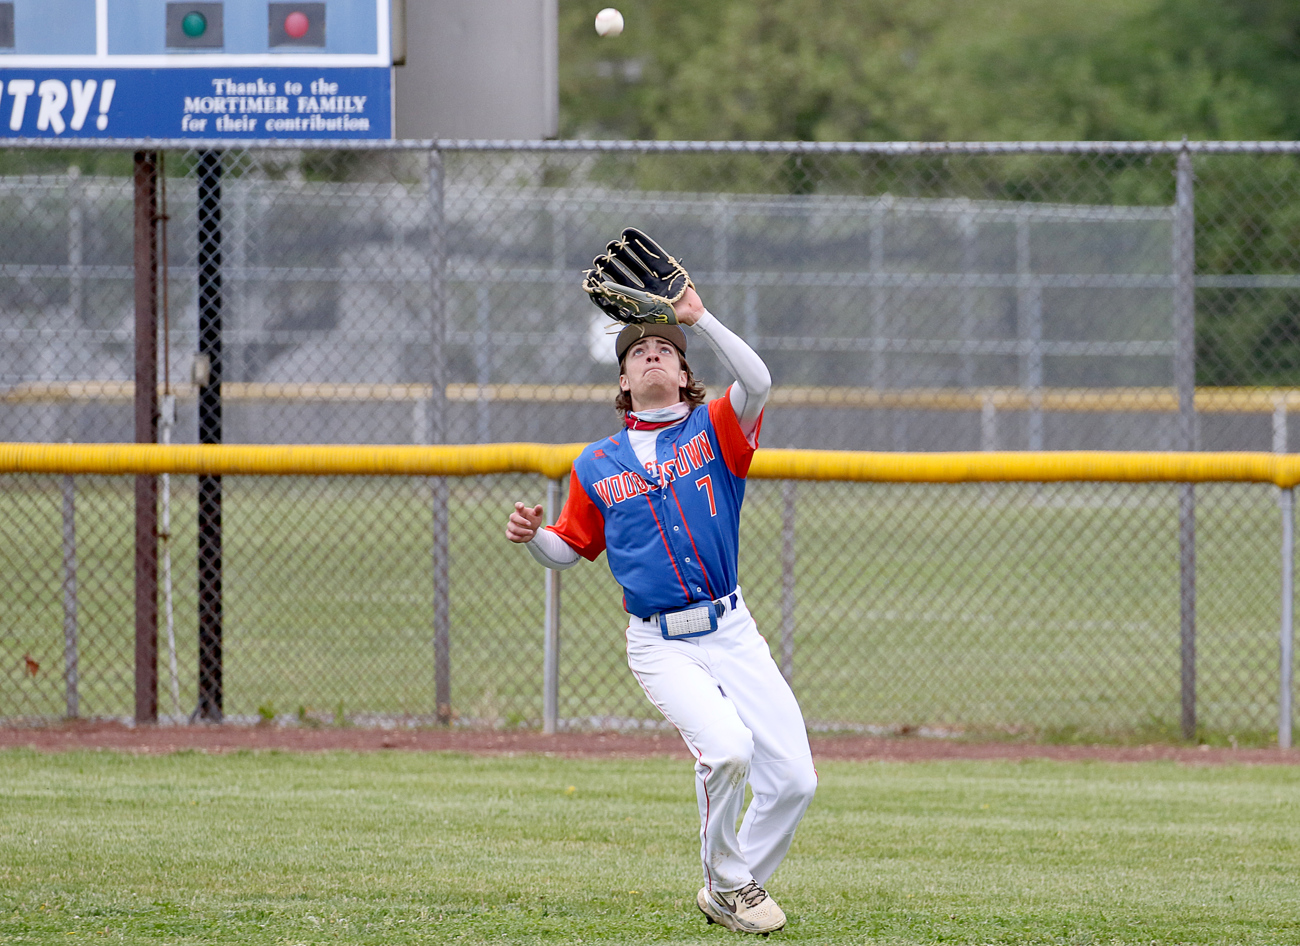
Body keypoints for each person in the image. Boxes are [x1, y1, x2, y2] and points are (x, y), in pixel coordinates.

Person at [505, 284, 817, 935]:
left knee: (793, 783)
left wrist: (697, 318)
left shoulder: (717, 431)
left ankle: (726, 888)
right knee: (727, 752)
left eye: (663, 351)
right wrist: (535, 536)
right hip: (660, 643)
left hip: (731, 629)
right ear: (622, 378)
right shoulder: (596, 464)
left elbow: (758, 381)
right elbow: (570, 549)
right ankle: (731, 882)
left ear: (683, 374)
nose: (651, 356)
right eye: (638, 352)